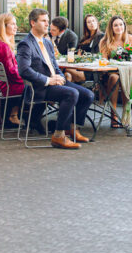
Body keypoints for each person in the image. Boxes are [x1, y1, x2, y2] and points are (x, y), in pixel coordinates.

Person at [17, 8, 94, 149]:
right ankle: (58, 136)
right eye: (43, 21)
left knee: (88, 94)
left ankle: (72, 128)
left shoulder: (47, 42)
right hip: (40, 87)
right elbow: (24, 70)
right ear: (33, 23)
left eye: (48, 20)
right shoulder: (25, 44)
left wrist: (61, 77)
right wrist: (48, 80)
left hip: (55, 83)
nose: (48, 24)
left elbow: (54, 64)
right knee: (72, 93)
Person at [98, 15, 132, 128]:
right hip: (111, 73)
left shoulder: (131, 39)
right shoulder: (104, 41)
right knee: (114, 78)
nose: (119, 27)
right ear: (111, 27)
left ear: (124, 26)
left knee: (129, 77)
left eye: (121, 24)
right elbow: (104, 61)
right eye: (115, 25)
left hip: (128, 72)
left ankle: (126, 116)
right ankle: (114, 116)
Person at [0, 13, 23, 128]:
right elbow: (12, 72)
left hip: (6, 84)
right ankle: (31, 119)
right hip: (11, 86)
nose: (16, 27)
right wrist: (26, 76)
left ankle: (16, 115)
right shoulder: (3, 46)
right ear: (3, 26)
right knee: (38, 86)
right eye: (12, 24)